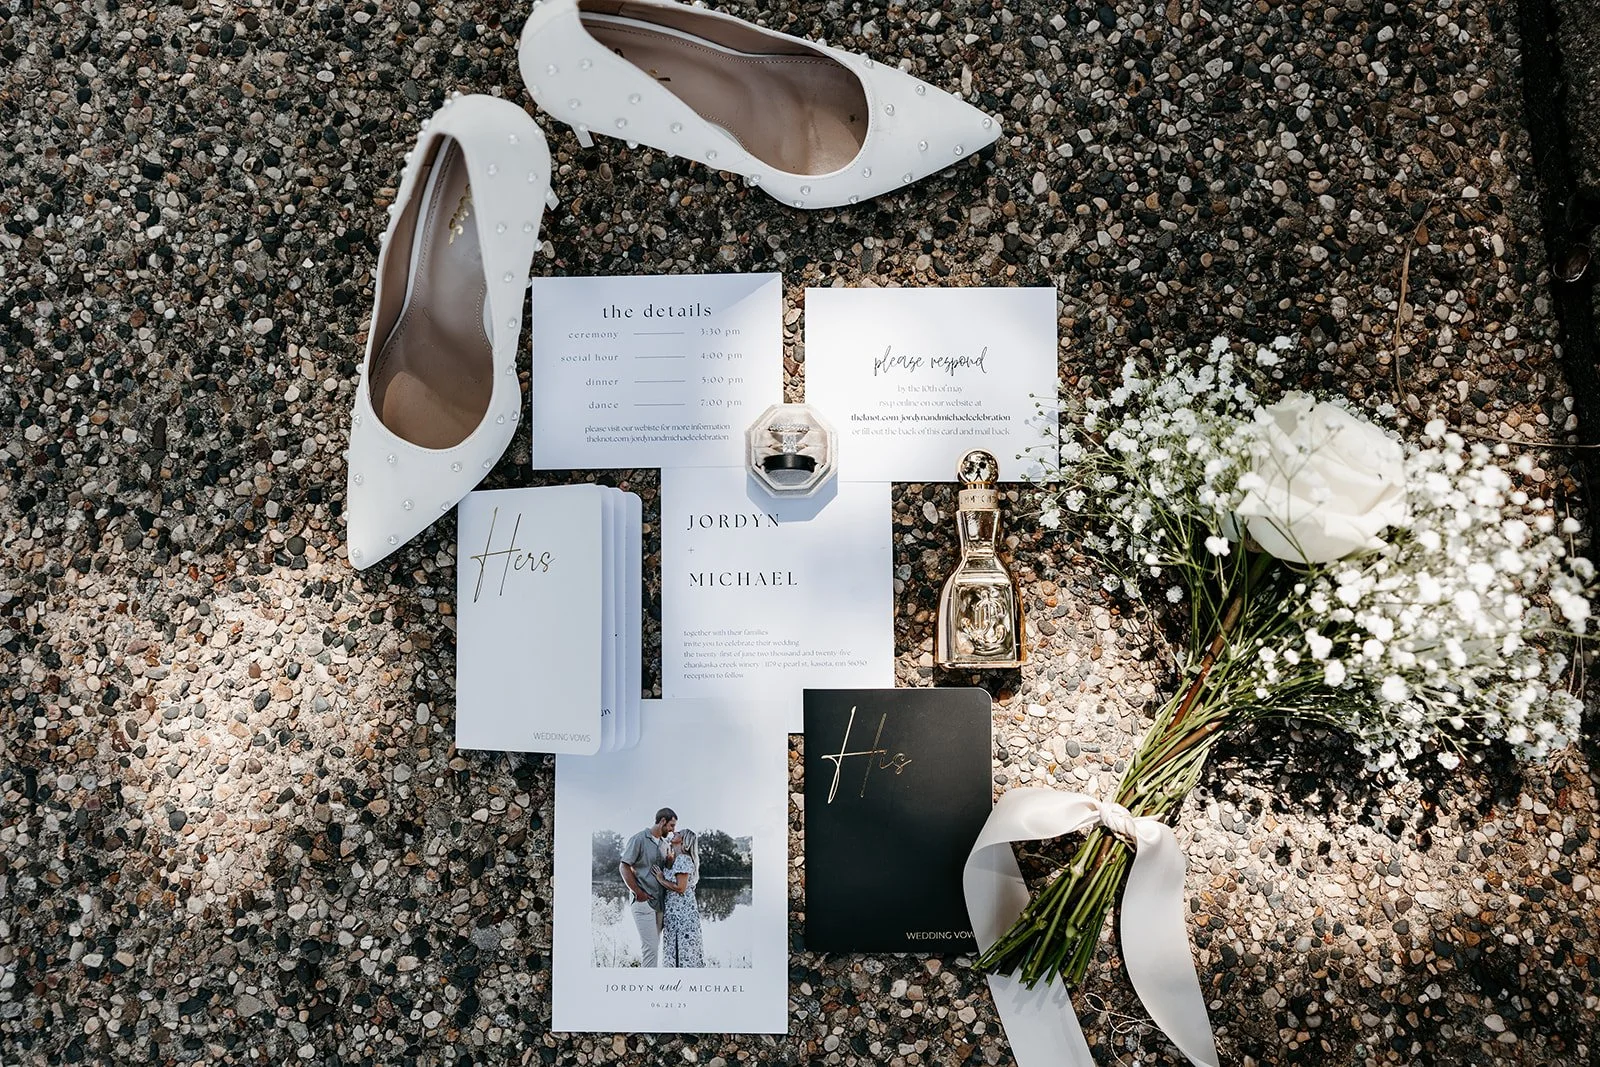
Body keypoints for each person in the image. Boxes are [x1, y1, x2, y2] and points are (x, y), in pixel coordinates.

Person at [618, 807, 675, 967]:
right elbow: (624, 866)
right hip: (643, 903)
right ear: (662, 821)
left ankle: (650, 983)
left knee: (654, 948)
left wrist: (669, 861)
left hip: (660, 904)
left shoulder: (665, 845)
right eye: (671, 825)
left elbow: (664, 872)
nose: (672, 830)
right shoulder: (638, 839)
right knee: (650, 949)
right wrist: (637, 892)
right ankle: (648, 985)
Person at [653, 828, 705, 968]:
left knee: (684, 954)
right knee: (678, 953)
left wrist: (661, 879)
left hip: (682, 915)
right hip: (676, 914)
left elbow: (680, 888)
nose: (673, 833)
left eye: (678, 834)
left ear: (684, 841)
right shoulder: (677, 859)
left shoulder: (683, 858)